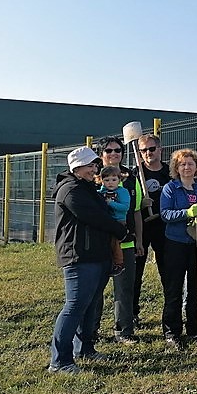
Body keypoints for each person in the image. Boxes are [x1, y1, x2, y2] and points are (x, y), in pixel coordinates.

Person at [49, 146, 130, 374]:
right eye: (90, 166)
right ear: (77, 167)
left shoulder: (87, 188)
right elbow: (95, 217)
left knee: (90, 305)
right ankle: (60, 361)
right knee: (74, 306)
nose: (94, 169)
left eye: (95, 165)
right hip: (79, 256)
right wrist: (121, 231)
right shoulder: (70, 190)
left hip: (96, 254)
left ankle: (84, 348)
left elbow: (105, 211)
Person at [159, 149, 197, 350]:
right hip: (175, 243)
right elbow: (165, 214)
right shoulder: (170, 189)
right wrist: (187, 213)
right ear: (176, 167)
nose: (186, 167)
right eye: (182, 164)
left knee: (196, 287)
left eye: (190, 164)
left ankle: (194, 329)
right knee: (173, 288)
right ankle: (172, 332)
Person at [97, 136, 143, 345]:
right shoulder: (92, 177)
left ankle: (123, 331)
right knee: (95, 288)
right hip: (98, 242)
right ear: (101, 155)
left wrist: (139, 240)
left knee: (125, 288)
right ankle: (91, 330)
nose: (114, 154)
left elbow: (136, 212)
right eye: (108, 151)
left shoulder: (132, 178)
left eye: (118, 150)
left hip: (125, 241)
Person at [133, 133, 170, 328]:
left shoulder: (170, 172)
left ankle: (171, 313)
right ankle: (133, 313)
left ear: (160, 149)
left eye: (151, 149)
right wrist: (140, 202)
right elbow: (128, 201)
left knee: (168, 271)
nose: (148, 153)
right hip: (142, 227)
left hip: (165, 227)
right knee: (136, 271)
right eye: (144, 150)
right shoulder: (135, 174)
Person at [97, 165, 129, 277]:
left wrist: (111, 203)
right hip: (107, 221)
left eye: (114, 180)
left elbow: (125, 207)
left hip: (119, 221)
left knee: (115, 242)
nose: (110, 183)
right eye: (106, 180)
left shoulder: (123, 192)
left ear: (119, 180)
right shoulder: (102, 191)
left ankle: (119, 263)